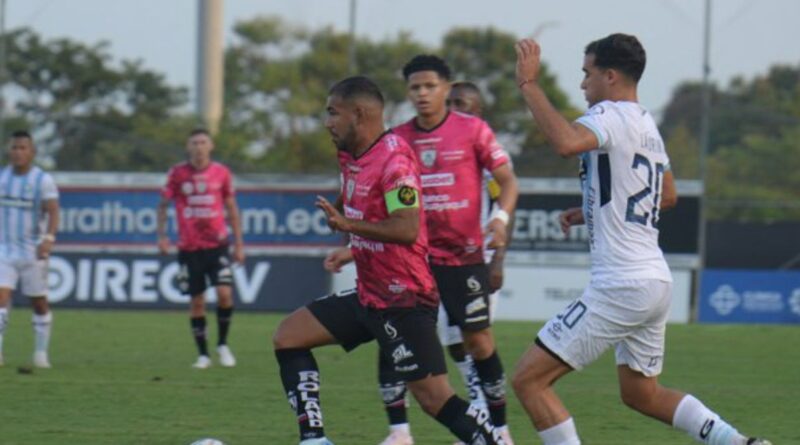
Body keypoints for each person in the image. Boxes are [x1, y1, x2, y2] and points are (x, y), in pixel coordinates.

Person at [511, 33, 770, 445]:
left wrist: (529, 84)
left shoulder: (610, 115)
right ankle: (737, 442)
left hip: (621, 283)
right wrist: (592, 211)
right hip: (655, 281)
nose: (582, 85)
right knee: (641, 394)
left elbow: (564, 142)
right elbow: (667, 195)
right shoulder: (646, 123)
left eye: (587, 74)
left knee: (528, 380)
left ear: (610, 77)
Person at [272, 76, 506, 445]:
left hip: (404, 300)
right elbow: (361, 195)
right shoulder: (350, 152)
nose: (327, 121)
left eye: (333, 112)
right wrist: (349, 233)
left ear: (359, 114)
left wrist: (348, 225)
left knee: (435, 400)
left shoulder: (395, 161)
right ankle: (314, 439)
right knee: (289, 337)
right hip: (370, 295)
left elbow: (407, 227)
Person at [377, 56, 519, 445]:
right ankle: (399, 433)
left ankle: (500, 427)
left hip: (462, 257)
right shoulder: (397, 139)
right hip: (411, 260)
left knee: (478, 342)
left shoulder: (473, 130)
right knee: (395, 338)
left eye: (430, 86)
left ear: (446, 87)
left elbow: (507, 181)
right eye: (415, 88)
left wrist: (500, 221)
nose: (422, 94)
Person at [157, 128, 244, 369]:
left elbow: (232, 209)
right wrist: (162, 237)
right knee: (197, 302)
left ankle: (223, 344)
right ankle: (203, 355)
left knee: (225, 294)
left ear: (211, 146)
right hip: (189, 247)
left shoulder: (221, 173)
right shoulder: (177, 174)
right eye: (194, 142)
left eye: (203, 142)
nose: (198, 147)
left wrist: (239, 245)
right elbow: (163, 205)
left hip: (218, 246)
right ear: (188, 147)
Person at [0, 131, 59, 369]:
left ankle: (40, 353)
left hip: (32, 251)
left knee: (39, 302)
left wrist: (48, 239)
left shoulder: (42, 180)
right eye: (14, 148)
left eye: (23, 148)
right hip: (4, 250)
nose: (18, 152)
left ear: (32, 153)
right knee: (1, 297)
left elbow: (53, 210)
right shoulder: (2, 178)